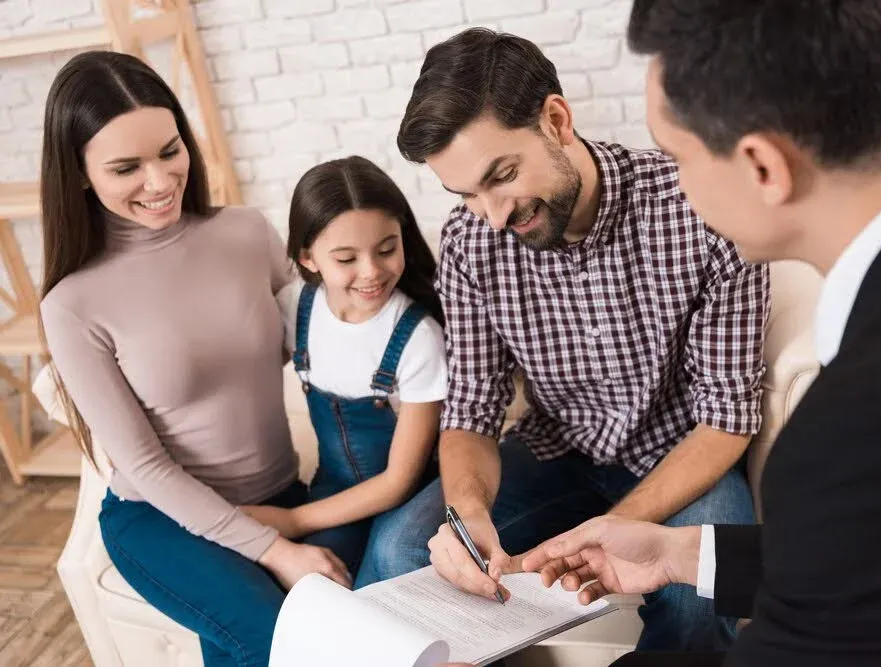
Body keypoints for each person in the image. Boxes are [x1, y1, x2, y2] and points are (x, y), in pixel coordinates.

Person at [514, 1, 881, 666]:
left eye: (676, 157)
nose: (677, 186)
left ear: (764, 166)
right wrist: (683, 552)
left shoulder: (858, 425)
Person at [366, 27, 771, 652]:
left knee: (701, 594)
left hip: (682, 456)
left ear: (556, 119)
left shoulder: (701, 210)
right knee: (399, 548)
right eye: (466, 194)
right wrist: (467, 511)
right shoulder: (469, 240)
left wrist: (617, 527)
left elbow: (725, 418)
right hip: (556, 450)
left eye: (501, 176)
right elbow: (473, 410)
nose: (493, 214)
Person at [38, 51, 349, 667]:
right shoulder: (71, 304)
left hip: (280, 491)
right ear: (78, 174)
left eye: (170, 150)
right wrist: (275, 550)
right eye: (127, 167)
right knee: (297, 645)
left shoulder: (246, 233)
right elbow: (144, 469)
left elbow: (324, 345)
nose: (159, 181)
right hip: (159, 521)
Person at [239, 156, 447, 581]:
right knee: (313, 587)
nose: (371, 271)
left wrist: (293, 521)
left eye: (387, 249)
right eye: (346, 258)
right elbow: (236, 379)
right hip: (333, 490)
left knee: (378, 588)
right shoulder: (295, 308)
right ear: (308, 257)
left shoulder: (417, 336)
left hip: (411, 492)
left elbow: (398, 482)